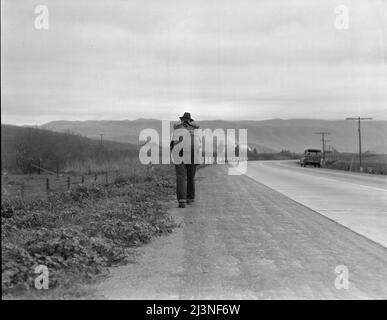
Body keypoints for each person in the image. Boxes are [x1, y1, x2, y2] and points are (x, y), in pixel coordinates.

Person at [170, 112, 202, 208]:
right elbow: (199, 144)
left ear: (182, 120)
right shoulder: (196, 130)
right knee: (190, 177)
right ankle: (190, 198)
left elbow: (172, 143)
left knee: (181, 177)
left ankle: (181, 201)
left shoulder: (177, 128)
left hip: (179, 154)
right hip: (193, 155)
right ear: (190, 120)